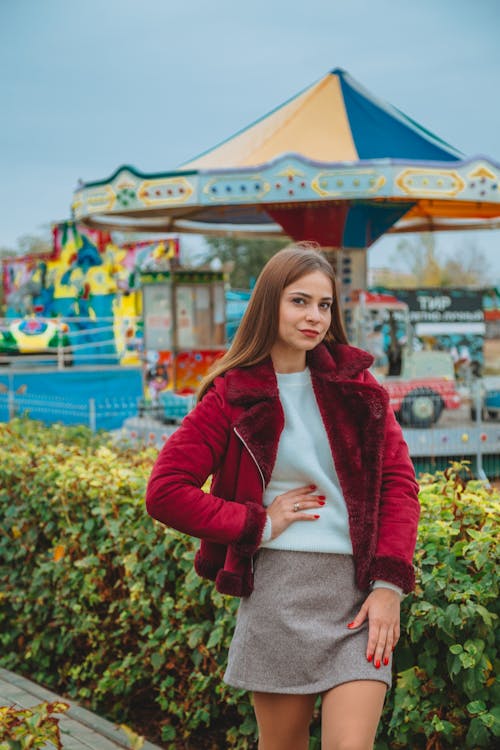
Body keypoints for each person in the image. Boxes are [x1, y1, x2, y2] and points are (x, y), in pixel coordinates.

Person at [146, 243, 420, 750]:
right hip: (277, 595)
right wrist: (259, 524)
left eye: (324, 305)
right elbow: (165, 492)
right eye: (299, 301)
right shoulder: (232, 394)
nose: (314, 316)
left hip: (357, 598)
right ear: (268, 304)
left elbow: (400, 486)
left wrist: (389, 587)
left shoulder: (360, 388)